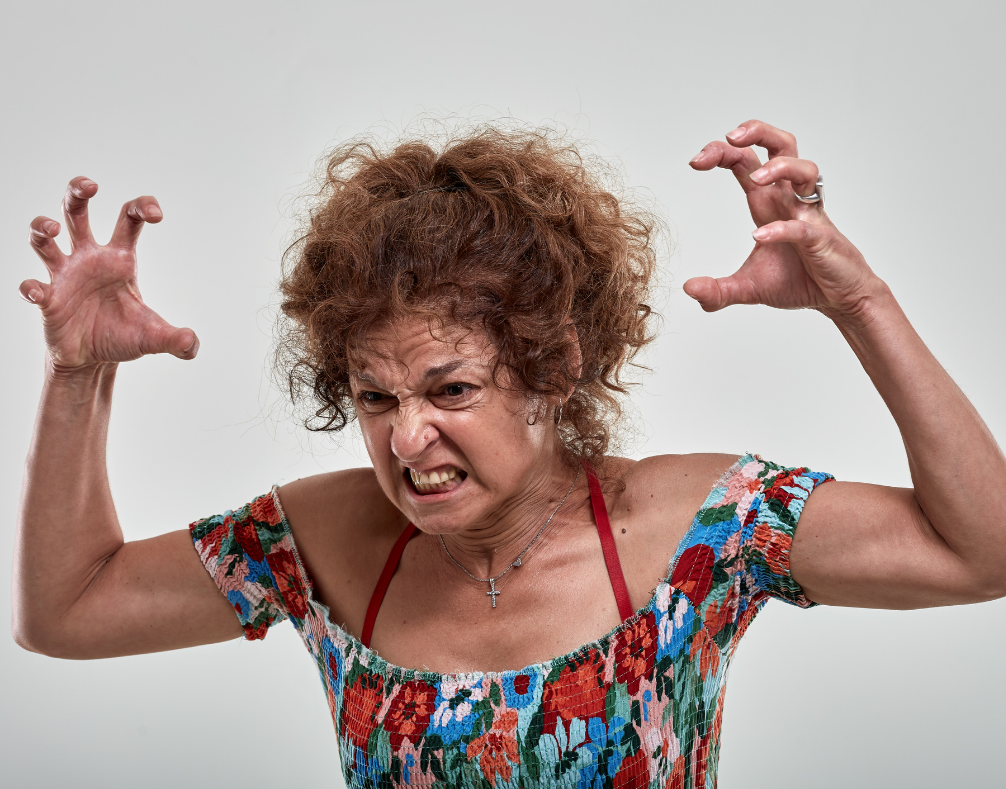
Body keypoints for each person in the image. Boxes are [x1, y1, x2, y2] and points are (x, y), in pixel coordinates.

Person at [13, 119, 1006, 789]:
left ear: (554, 367)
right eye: (373, 397)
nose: (406, 439)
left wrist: (856, 303)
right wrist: (76, 378)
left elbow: (980, 550)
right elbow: (67, 610)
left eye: (450, 390)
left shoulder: (705, 531)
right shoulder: (317, 543)